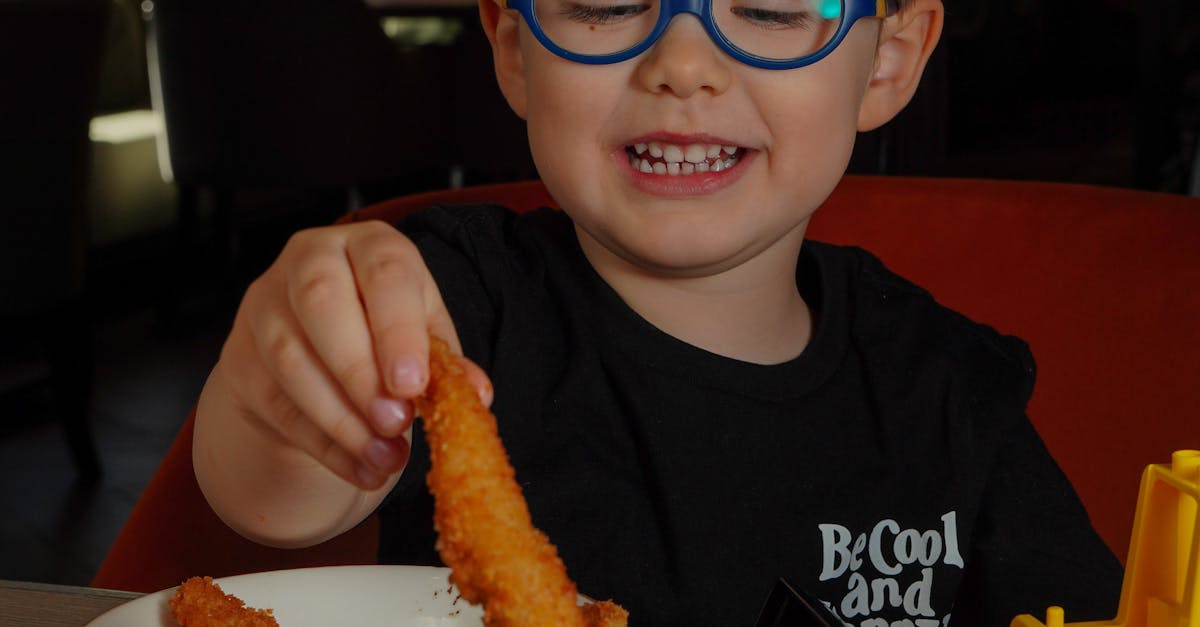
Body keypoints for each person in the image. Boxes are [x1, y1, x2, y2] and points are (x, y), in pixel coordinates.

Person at [191, 0, 1124, 623]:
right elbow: (273, 495)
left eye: (766, 2)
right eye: (606, 0)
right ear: (514, 48)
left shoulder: (952, 385)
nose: (682, 64)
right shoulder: (452, 301)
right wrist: (290, 382)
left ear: (887, 59)